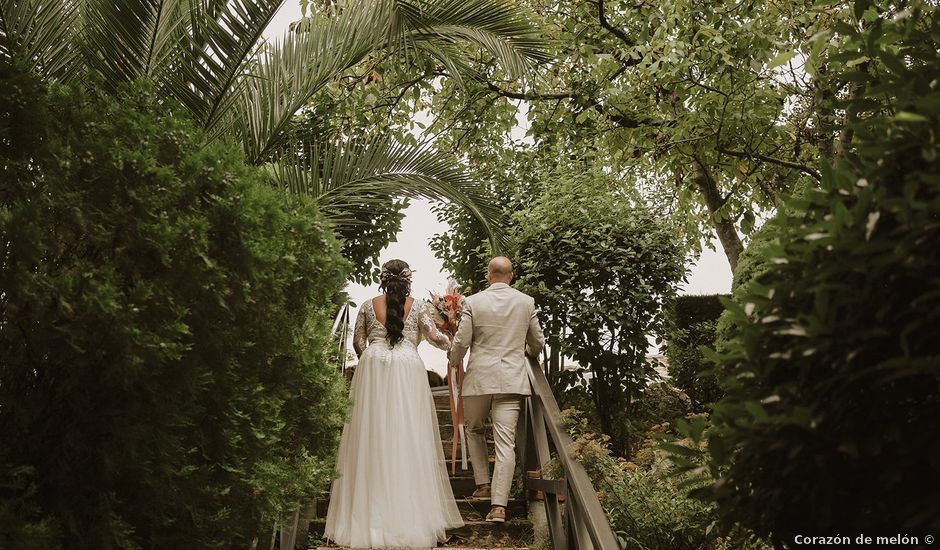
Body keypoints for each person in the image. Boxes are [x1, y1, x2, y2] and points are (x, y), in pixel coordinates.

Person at [325, 259, 463, 548]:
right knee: (407, 436)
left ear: (382, 278)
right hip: (407, 367)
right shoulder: (422, 307)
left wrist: (374, 358)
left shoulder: (366, 305)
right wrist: (451, 333)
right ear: (408, 280)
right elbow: (436, 338)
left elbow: (358, 342)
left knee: (371, 436)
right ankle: (408, 516)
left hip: (373, 367)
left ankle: (367, 518)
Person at [449, 256, 545, 523]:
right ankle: (499, 506)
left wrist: (453, 360)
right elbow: (538, 341)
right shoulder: (526, 302)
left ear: (489, 276)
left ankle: (482, 484)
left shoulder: (473, 301)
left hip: (480, 378)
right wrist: (526, 352)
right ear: (511, 276)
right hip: (511, 379)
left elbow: (463, 341)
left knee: (474, 428)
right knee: (506, 443)